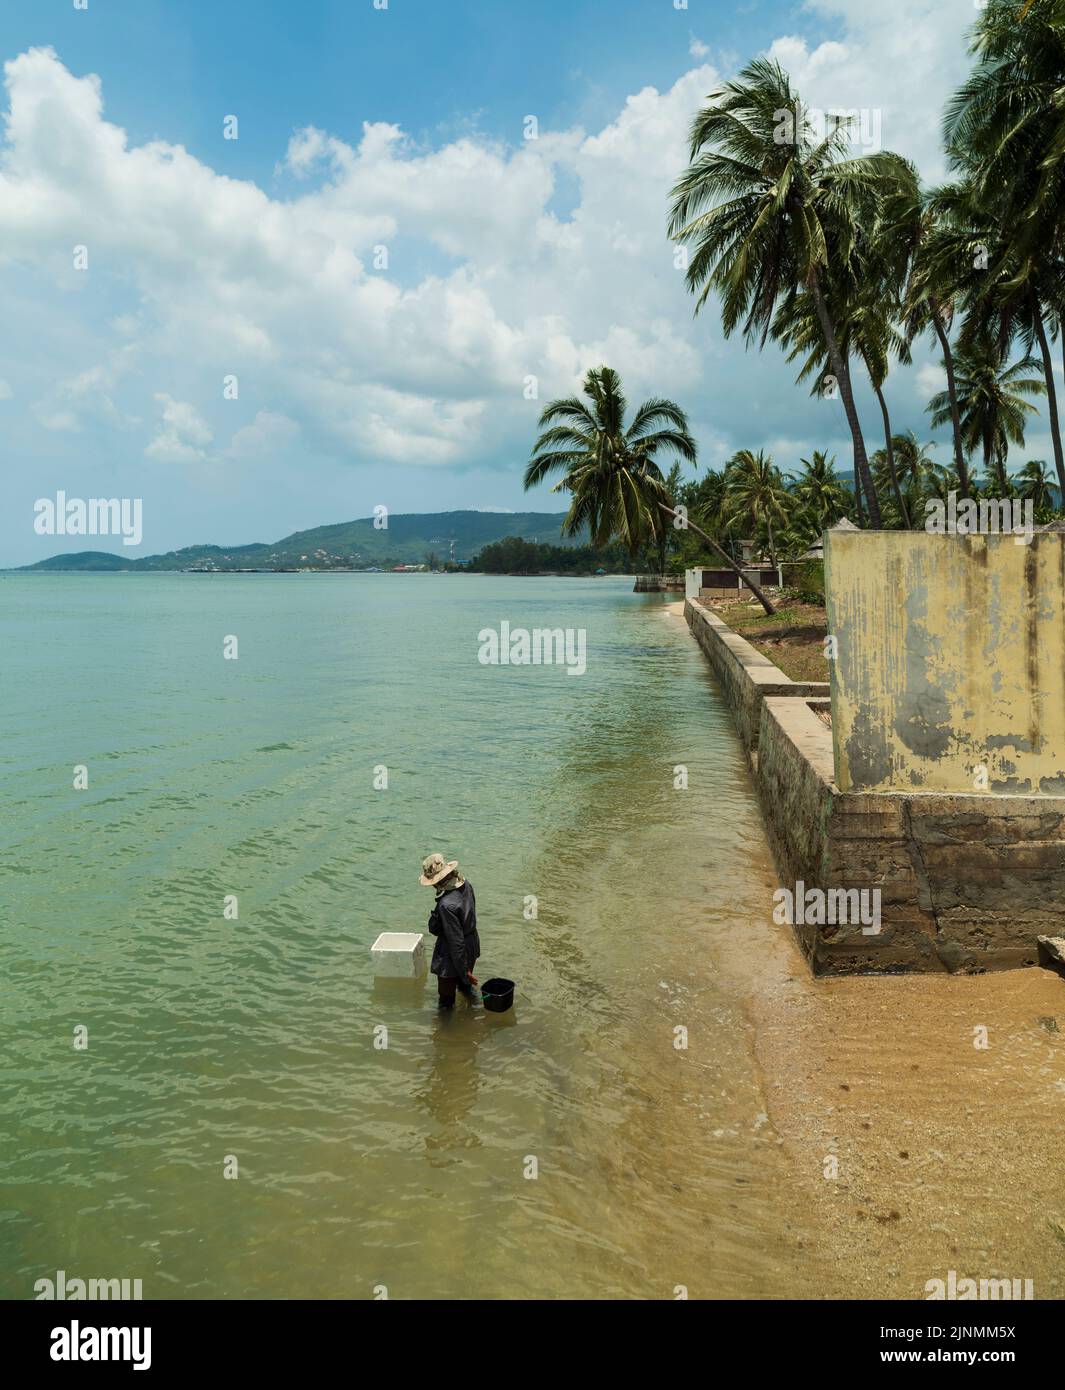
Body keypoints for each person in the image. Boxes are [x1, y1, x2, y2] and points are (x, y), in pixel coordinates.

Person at [420, 852, 479, 1009]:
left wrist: (463, 968)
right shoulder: (466, 885)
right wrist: (466, 969)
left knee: (445, 1002)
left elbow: (455, 940)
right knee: (465, 987)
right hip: (472, 942)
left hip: (452, 952)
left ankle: (445, 1031)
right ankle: (471, 1015)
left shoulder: (446, 905)